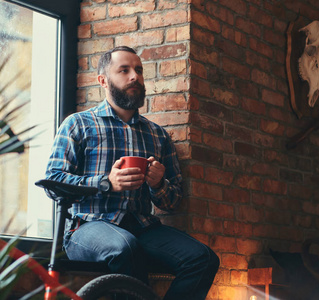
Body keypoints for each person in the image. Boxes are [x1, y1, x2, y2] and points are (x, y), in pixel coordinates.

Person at [45, 46, 219, 300]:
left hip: (142, 227)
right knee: (125, 247)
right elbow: (53, 181)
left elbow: (173, 201)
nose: (134, 76)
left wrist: (158, 184)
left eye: (138, 70)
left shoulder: (157, 134)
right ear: (103, 81)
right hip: (89, 227)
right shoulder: (78, 124)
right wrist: (106, 183)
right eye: (124, 70)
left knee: (203, 259)